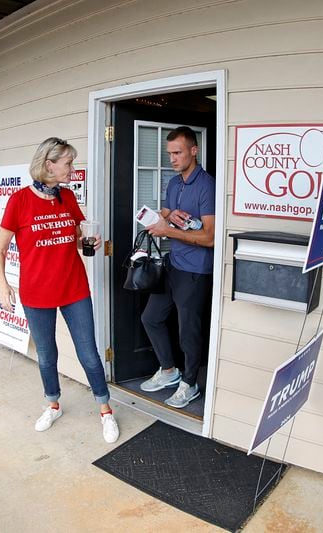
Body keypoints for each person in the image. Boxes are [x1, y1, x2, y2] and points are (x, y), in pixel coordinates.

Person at [0, 137, 119, 443]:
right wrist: (4, 285)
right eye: (68, 163)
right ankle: (53, 404)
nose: (72, 169)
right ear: (49, 165)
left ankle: (105, 411)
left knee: (89, 353)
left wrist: (88, 242)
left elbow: (77, 236)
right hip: (37, 293)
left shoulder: (67, 197)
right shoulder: (19, 201)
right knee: (47, 355)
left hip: (74, 288)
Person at [140, 126, 215, 408]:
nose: (171, 159)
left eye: (177, 153)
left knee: (188, 332)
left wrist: (168, 230)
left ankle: (190, 384)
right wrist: (167, 216)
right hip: (173, 262)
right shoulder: (174, 184)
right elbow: (168, 215)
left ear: (193, 151)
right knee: (151, 318)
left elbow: (209, 237)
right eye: (169, 153)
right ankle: (169, 371)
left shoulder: (207, 185)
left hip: (196, 269)